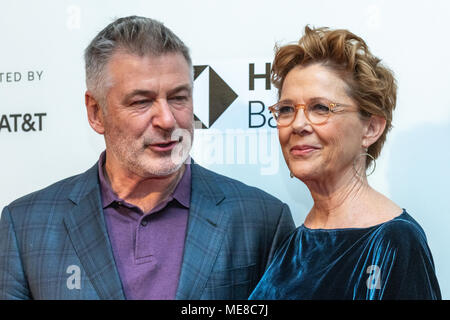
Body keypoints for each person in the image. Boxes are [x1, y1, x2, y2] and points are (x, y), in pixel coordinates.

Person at [0, 16, 295, 300]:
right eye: (141, 102)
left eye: (179, 97)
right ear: (95, 112)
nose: (167, 120)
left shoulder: (262, 220)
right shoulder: (26, 224)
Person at [249, 26, 441, 300]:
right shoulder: (293, 242)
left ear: (371, 129)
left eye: (321, 108)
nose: (298, 124)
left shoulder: (394, 242)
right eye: (286, 109)